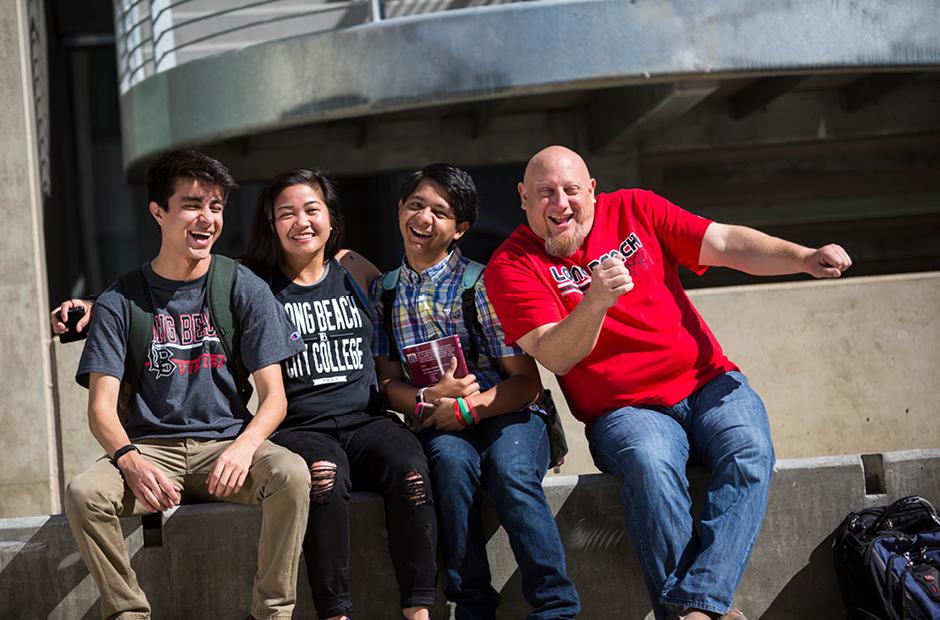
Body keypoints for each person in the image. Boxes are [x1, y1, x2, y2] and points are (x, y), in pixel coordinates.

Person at [484, 145, 852, 620]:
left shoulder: (637, 207)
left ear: (592, 191)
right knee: (650, 467)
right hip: (625, 411)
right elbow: (556, 353)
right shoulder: (511, 265)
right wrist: (595, 301)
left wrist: (802, 256)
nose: (560, 203)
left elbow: (725, 244)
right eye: (545, 193)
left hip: (708, 383)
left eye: (572, 190)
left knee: (750, 450)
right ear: (523, 198)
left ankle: (694, 610)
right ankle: (702, 612)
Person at [60, 150, 311, 620]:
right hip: (151, 451)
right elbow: (101, 409)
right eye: (193, 205)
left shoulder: (242, 286)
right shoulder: (119, 299)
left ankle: (273, 612)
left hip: (227, 448)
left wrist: (243, 447)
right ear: (158, 212)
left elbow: (274, 398)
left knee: (292, 475)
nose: (207, 218)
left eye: (216, 207)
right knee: (83, 493)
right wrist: (130, 461)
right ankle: (128, 613)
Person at [373, 163, 581, 620]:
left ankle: (556, 607)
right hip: (439, 418)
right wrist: (429, 401)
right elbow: (387, 382)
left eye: (440, 212)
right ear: (399, 209)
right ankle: (471, 607)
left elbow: (526, 382)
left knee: (508, 472)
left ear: (460, 228)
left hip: (506, 411)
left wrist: (466, 409)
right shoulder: (385, 292)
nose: (423, 219)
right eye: (415, 205)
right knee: (449, 465)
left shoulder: (481, 283)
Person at [242, 168, 438, 620]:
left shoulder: (353, 268)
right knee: (324, 477)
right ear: (271, 225)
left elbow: (413, 300)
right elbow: (186, 290)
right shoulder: (254, 284)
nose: (301, 222)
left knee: (410, 469)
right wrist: (98, 307)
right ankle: (336, 613)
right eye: (286, 214)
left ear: (330, 218)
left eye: (312, 210)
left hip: (367, 418)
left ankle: (419, 610)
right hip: (301, 426)